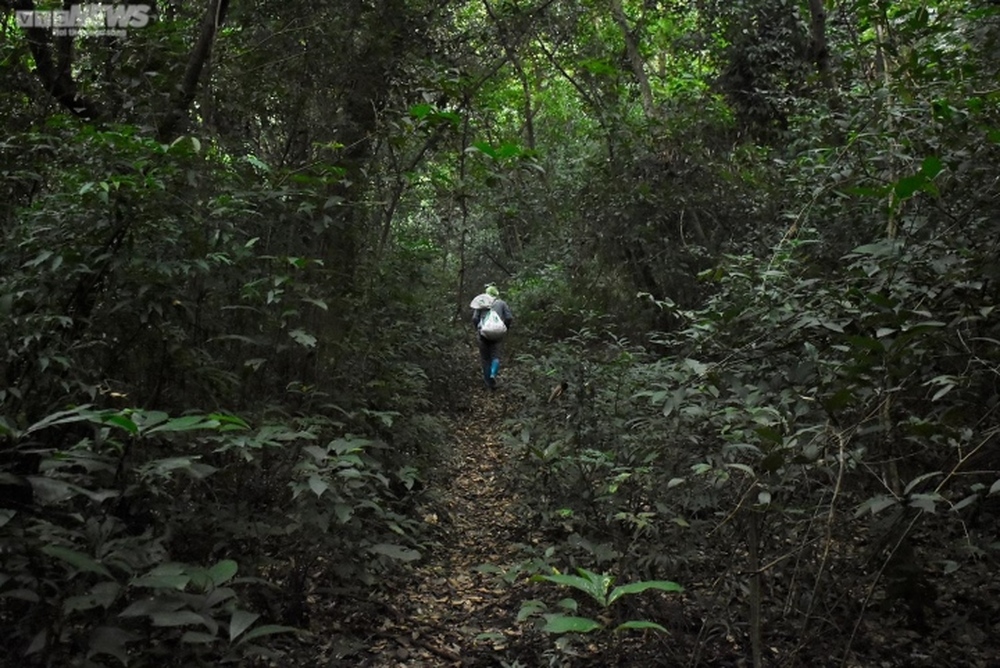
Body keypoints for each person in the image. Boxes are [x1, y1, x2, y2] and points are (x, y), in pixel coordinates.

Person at [472, 285, 513, 390]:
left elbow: (474, 318)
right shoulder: (502, 303)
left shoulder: (481, 303)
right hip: (497, 335)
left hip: (483, 334)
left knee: (485, 359)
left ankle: (488, 383)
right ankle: (493, 374)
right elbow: (509, 317)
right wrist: (505, 328)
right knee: (495, 356)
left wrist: (478, 328)